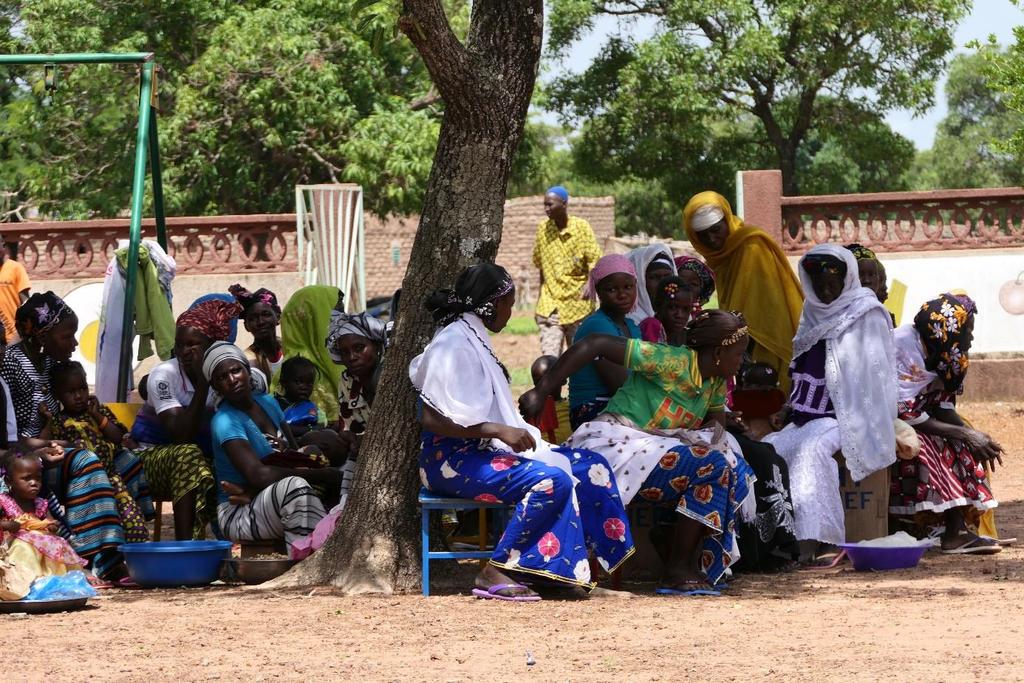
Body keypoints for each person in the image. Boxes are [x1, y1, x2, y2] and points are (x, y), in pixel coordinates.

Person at [412, 263, 634, 600]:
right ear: (490, 305)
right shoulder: (454, 343)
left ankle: (572, 573)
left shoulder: (474, 337)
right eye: (509, 304)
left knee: (591, 466)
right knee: (550, 480)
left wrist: (502, 432)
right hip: (451, 460)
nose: (511, 311)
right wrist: (499, 430)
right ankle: (496, 569)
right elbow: (431, 418)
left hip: (483, 450)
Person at [522, 310, 756, 594]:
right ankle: (677, 567)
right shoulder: (671, 360)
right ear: (719, 352)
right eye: (739, 353)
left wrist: (715, 431)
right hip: (616, 442)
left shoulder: (715, 381)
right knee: (712, 465)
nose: (744, 361)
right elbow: (594, 343)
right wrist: (543, 389)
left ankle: (683, 550)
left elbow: (715, 426)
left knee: (736, 466)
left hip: (656, 449)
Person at [761, 245, 897, 559]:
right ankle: (780, 538)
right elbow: (804, 371)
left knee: (812, 450)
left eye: (831, 284)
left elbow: (877, 379)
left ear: (846, 280)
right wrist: (789, 409)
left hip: (851, 414)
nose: (825, 291)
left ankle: (824, 540)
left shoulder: (867, 312)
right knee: (770, 448)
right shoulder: (811, 312)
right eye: (818, 284)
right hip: (808, 414)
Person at [1, 292, 135, 584]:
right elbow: (13, 438)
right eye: (67, 336)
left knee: (127, 461)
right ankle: (94, 556)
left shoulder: (49, 366)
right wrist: (47, 447)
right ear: (41, 335)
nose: (74, 343)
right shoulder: (11, 363)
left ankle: (131, 545)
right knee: (85, 458)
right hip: (19, 456)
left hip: (47, 445)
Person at [890, 293, 1003, 554]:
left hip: (921, 417)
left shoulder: (949, 355)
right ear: (946, 329)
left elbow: (943, 406)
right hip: (888, 416)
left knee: (960, 439)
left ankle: (956, 531)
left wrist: (974, 435)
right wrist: (965, 434)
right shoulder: (901, 347)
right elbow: (905, 412)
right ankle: (950, 533)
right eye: (967, 331)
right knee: (935, 443)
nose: (970, 339)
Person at [206, 342, 339, 555]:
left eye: (236, 370)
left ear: (247, 371)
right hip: (238, 513)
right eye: (222, 377)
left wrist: (313, 464)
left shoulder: (267, 403)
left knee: (331, 469)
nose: (232, 380)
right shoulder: (225, 421)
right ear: (215, 387)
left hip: (261, 497)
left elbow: (294, 455)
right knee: (295, 486)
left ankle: (325, 551)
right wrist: (321, 475)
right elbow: (258, 474)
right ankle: (304, 560)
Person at [128, 298, 238, 539]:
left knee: (231, 458)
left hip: (197, 461)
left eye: (193, 345)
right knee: (187, 454)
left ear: (210, 347)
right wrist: (201, 385)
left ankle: (232, 538)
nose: (184, 352)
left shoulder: (223, 375)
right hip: (148, 462)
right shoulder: (164, 375)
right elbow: (180, 435)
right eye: (180, 345)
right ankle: (186, 543)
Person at [683, 191, 803, 392]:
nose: (712, 239)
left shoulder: (751, 245)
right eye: (703, 236)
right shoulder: (721, 255)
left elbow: (757, 307)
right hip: (740, 335)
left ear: (727, 220)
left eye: (716, 230)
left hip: (766, 334)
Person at [41, 361, 154, 543]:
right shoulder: (57, 421)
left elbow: (117, 437)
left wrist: (97, 415)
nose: (79, 396)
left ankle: (135, 553)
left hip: (112, 478)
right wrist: (47, 421)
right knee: (101, 519)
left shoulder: (98, 411)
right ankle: (102, 551)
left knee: (131, 519)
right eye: (71, 392)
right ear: (57, 395)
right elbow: (45, 442)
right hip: (84, 481)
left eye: (83, 389)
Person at [0, 452, 92, 601]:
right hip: (11, 547)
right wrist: (6, 524)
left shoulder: (41, 503)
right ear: (9, 481)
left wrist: (52, 526)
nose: (33, 483)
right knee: (24, 546)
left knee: (58, 543)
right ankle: (27, 582)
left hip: (42, 544)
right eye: (26, 478)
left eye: (37, 479)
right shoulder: (3, 501)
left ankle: (52, 582)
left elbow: (51, 522)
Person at [568, 254, 641, 430]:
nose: (622, 294)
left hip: (623, 403)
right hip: (593, 410)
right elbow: (622, 386)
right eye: (612, 289)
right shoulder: (597, 325)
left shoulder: (631, 326)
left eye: (628, 287)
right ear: (599, 292)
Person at [532, 185, 603, 356]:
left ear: (564, 204)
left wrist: (590, 283)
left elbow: (595, 260)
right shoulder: (543, 229)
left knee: (580, 363)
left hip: (578, 305)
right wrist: (540, 297)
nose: (546, 209)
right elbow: (541, 265)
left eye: (550, 204)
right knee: (549, 363)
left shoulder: (581, 228)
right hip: (551, 306)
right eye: (544, 205)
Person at [273, 286, 344, 423]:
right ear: (319, 318)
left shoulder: (288, 368)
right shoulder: (306, 372)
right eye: (335, 312)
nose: (343, 318)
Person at [230, 284, 284, 382]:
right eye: (253, 318)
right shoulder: (245, 361)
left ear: (278, 317)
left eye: (266, 314)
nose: (260, 322)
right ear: (246, 326)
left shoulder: (292, 351)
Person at [625, 244, 676, 326]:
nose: (663, 283)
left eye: (668, 276)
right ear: (641, 281)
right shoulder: (630, 320)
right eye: (655, 277)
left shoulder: (679, 315)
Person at [526, 355, 571, 445]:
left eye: (550, 380)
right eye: (539, 381)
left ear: (564, 380)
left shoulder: (572, 407)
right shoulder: (531, 411)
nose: (544, 386)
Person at [640, 276, 694, 345]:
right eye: (672, 307)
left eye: (686, 309)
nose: (680, 315)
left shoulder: (683, 334)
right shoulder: (652, 325)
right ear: (658, 306)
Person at [0, 232, 30, 343]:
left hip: (14, 336)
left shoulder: (15, 268)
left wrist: (23, 332)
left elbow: (26, 303)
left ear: (3, 244)